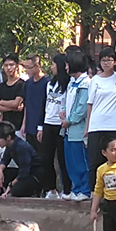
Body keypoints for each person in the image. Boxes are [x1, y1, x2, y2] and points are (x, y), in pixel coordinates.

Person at [85, 47, 116, 192]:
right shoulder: (94, 80)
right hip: (96, 125)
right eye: (103, 60)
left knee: (114, 160)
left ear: (115, 61)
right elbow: (90, 105)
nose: (106, 63)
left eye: (109, 60)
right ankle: (95, 192)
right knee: (95, 161)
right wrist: (87, 127)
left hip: (114, 125)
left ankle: (115, 192)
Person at [62, 50, 91, 201]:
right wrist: (63, 112)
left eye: (67, 64)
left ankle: (85, 190)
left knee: (81, 162)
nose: (65, 67)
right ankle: (76, 188)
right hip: (68, 131)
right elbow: (65, 101)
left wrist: (70, 120)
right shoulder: (71, 83)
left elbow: (82, 108)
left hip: (79, 130)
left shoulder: (86, 83)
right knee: (71, 162)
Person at [41, 54, 71, 199]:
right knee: (46, 158)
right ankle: (51, 189)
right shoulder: (50, 84)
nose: (51, 67)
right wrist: (40, 126)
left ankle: (67, 189)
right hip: (48, 123)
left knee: (62, 158)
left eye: (53, 64)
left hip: (61, 125)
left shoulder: (69, 84)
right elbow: (44, 105)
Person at [0, 122, 43, 198]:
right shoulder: (9, 145)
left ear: (8, 137)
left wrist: (11, 185)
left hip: (34, 175)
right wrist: (0, 170)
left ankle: (34, 191)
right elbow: (5, 160)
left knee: (16, 190)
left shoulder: (21, 147)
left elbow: (24, 171)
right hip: (24, 173)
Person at [20, 54, 49, 151]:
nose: (27, 70)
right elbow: (26, 104)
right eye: (25, 67)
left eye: (29, 67)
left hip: (41, 126)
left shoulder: (47, 82)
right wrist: (24, 124)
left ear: (37, 66)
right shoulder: (28, 83)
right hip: (29, 126)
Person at [0, 54, 25, 131]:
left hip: (18, 127)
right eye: (6, 65)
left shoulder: (22, 84)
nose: (9, 68)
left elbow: (16, 103)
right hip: (4, 126)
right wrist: (13, 109)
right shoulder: (1, 86)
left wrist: (1, 102)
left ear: (17, 66)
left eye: (11, 65)